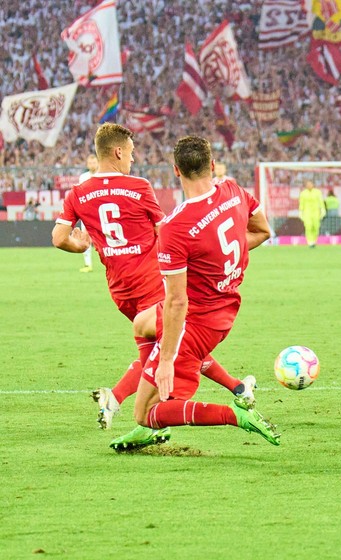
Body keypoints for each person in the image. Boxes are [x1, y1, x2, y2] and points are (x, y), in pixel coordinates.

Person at [52, 123, 255, 432]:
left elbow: (58, 237)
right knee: (177, 341)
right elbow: (165, 232)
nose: (132, 159)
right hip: (152, 280)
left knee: (172, 343)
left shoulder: (79, 193)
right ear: (118, 151)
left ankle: (238, 388)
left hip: (120, 289)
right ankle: (118, 399)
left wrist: (78, 244)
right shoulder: (138, 186)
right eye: (131, 153)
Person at [110, 135, 279, 450]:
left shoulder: (176, 226)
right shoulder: (233, 192)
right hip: (225, 306)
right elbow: (262, 231)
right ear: (212, 165)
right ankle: (178, 389)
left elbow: (177, 303)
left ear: (176, 171)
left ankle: (235, 415)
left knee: (144, 413)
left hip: (196, 322)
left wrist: (166, 360)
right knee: (143, 323)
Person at [77, 154, 98, 272]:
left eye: (94, 162)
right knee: (85, 238)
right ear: (87, 164)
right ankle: (88, 264)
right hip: (87, 212)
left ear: (98, 163)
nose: (92, 165)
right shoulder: (83, 177)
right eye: (90, 163)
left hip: (99, 211)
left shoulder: (101, 175)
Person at [298, 180, 325, 247]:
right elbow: (301, 204)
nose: (309, 185)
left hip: (316, 212)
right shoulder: (303, 193)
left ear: (313, 185)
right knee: (308, 226)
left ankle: (314, 240)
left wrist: (322, 210)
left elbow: (321, 201)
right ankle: (310, 241)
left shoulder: (317, 192)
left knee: (316, 227)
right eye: (308, 184)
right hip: (307, 212)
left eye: (310, 184)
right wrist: (301, 212)